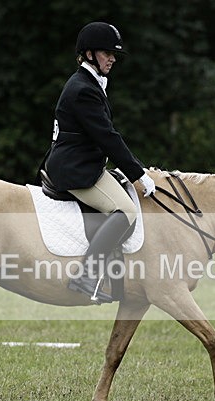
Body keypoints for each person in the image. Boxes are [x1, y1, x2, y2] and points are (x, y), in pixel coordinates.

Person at [44, 21, 156, 302]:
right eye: (107, 53)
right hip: (75, 170)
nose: (113, 58)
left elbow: (103, 138)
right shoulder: (83, 89)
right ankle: (87, 276)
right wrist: (138, 174)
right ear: (90, 54)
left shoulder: (88, 84)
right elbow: (107, 136)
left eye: (113, 53)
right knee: (126, 211)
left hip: (84, 162)